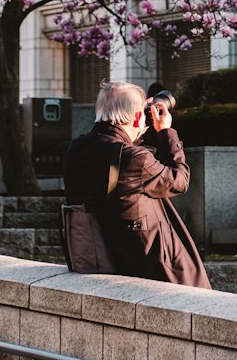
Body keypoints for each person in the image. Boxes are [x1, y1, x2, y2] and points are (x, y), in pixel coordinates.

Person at [61, 80, 211, 287]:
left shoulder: (76, 148)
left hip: (108, 257)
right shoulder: (135, 159)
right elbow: (179, 180)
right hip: (152, 264)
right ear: (139, 116)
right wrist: (165, 132)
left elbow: (119, 151)